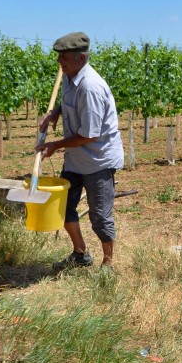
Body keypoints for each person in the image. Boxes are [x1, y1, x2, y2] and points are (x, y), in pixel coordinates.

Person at [36, 32, 125, 271]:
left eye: (64, 57)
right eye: (59, 57)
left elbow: (90, 135)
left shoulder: (91, 87)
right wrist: (55, 113)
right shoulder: (69, 75)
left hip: (98, 159)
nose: (59, 62)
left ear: (81, 58)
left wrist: (55, 145)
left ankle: (108, 264)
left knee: (99, 217)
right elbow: (68, 103)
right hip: (76, 159)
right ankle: (80, 253)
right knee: (63, 206)